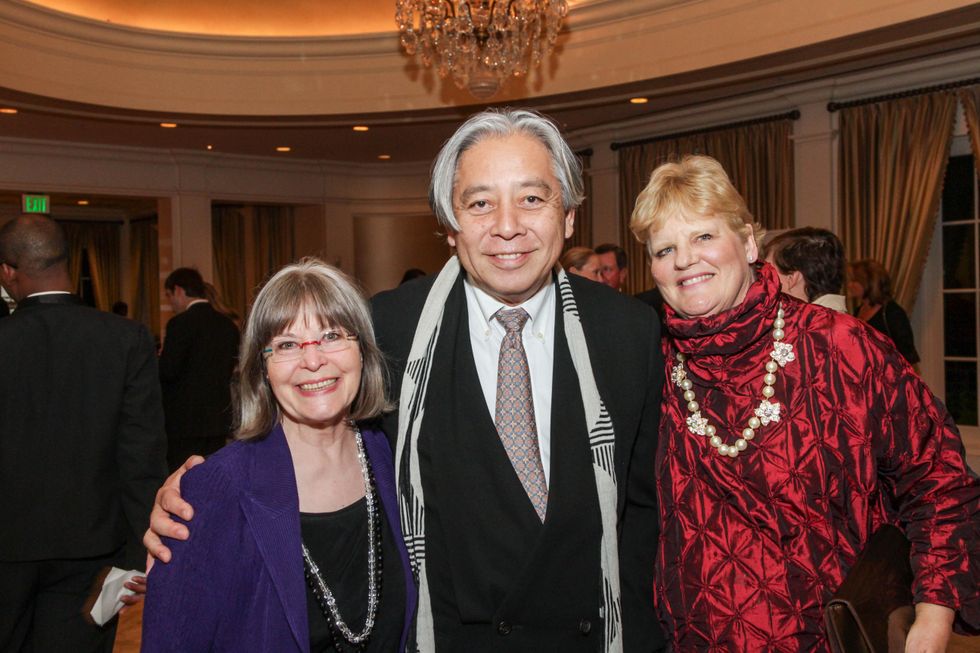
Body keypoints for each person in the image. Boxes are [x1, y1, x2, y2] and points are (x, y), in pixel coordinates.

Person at [146, 109, 665, 653]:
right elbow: (312, 402)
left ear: (569, 216)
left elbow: (645, 511)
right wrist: (203, 493)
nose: (507, 225)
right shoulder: (392, 328)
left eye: (532, 199)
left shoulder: (625, 331)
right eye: (480, 202)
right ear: (449, 224)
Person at [629, 155, 980, 652]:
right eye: (665, 248)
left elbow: (939, 479)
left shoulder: (843, 347)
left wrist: (934, 615)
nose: (685, 260)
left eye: (704, 236)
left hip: (830, 641)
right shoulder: (649, 364)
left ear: (749, 243)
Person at [142, 259, 417, 652]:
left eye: (331, 335)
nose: (313, 360)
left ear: (363, 351)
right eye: (287, 344)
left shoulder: (390, 454)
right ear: (262, 369)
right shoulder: (213, 490)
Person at [0, 214, 166, 652]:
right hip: (93, 546)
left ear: (7, 272)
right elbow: (141, 457)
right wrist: (143, 551)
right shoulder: (126, 338)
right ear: (68, 262)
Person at [160, 267, 241, 470]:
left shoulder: (179, 324)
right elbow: (229, 368)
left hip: (184, 420)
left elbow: (168, 371)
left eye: (169, 296)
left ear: (178, 290)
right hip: (217, 417)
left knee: (183, 478)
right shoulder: (227, 325)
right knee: (213, 476)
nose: (171, 303)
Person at [848, 258, 920, 366]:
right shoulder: (858, 310)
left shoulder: (893, 313)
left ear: (868, 283)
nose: (850, 285)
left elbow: (908, 357)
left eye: (855, 281)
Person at [764, 226, 847, 312]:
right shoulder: (839, 320)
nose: (762, 281)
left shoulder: (814, 323)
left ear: (792, 278)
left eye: (768, 272)